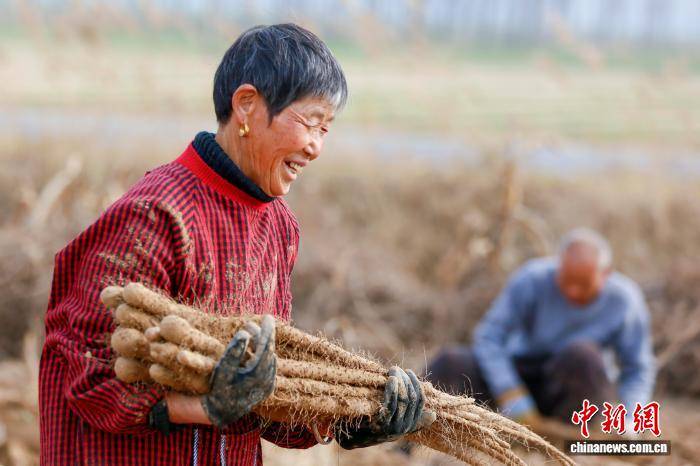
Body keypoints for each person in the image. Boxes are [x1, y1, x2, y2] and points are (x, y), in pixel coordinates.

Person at [39, 24, 432, 465]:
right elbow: (89, 376)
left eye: (326, 129)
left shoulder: (279, 228)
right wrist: (209, 405)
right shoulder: (154, 215)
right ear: (246, 105)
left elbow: (267, 394)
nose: (316, 147)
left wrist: (353, 418)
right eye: (310, 122)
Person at [427, 228, 655, 428]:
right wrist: (510, 392)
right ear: (558, 265)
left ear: (606, 274)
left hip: (574, 390)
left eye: (583, 285)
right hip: (520, 375)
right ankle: (409, 439)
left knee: (583, 355)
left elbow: (637, 367)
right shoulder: (532, 279)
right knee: (450, 362)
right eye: (566, 281)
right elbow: (489, 337)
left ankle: (568, 444)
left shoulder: (625, 301)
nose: (573, 291)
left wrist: (630, 418)